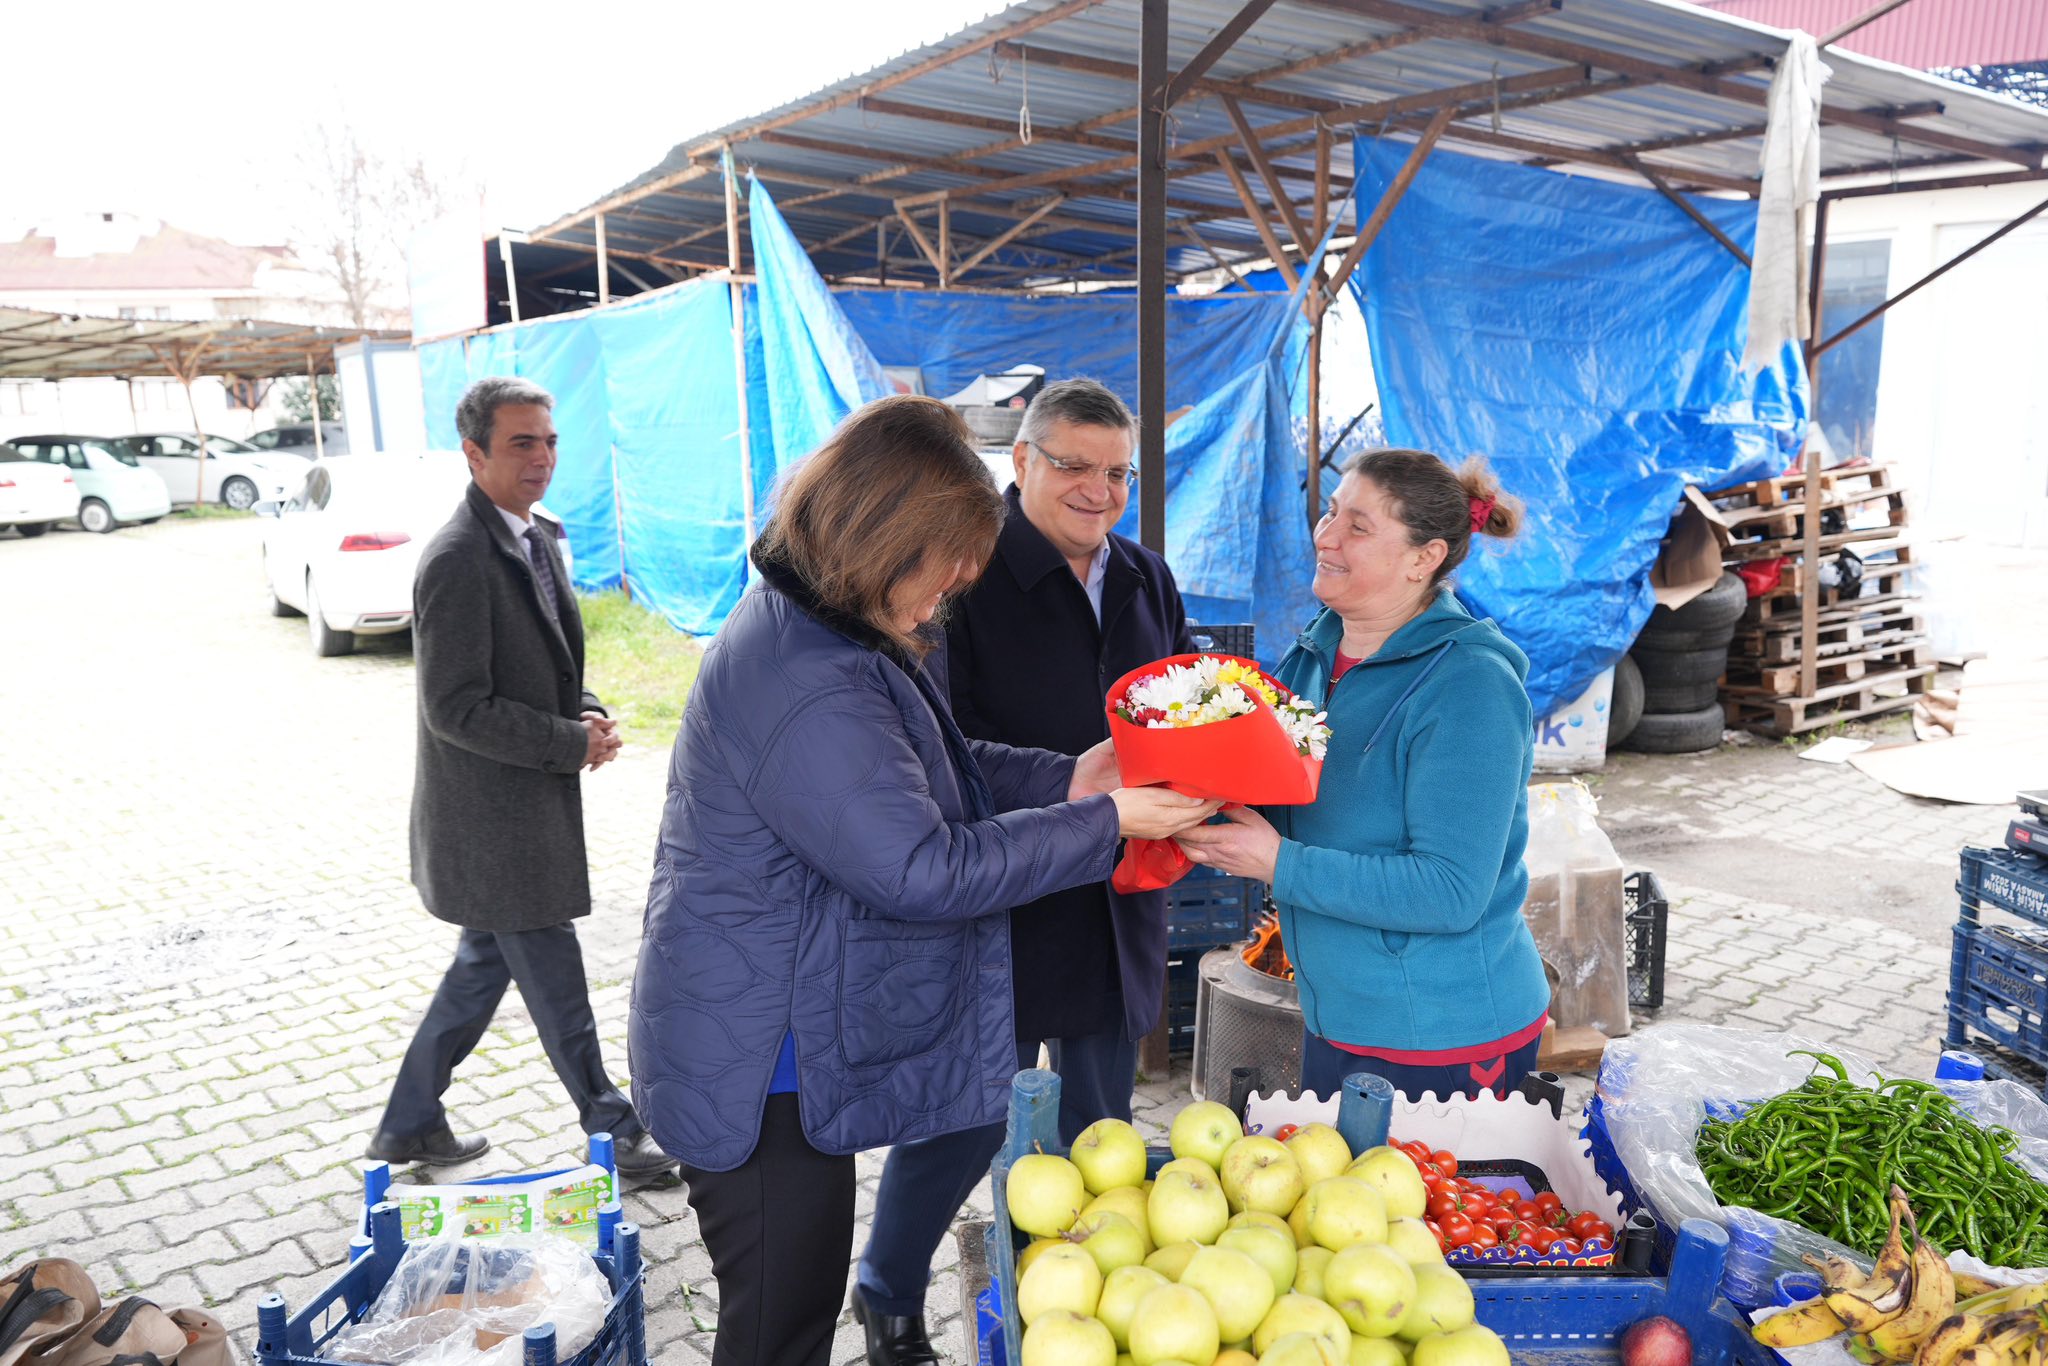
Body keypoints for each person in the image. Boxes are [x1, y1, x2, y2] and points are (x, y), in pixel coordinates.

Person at [628, 394, 1219, 1366]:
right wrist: (1105, 819)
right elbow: (920, 864)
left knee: (795, 1302)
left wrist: (1075, 773)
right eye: (947, 563)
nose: (952, 590)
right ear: (885, 538)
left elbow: (941, 770)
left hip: (786, 1027)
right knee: (779, 1321)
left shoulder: (830, 632)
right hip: (755, 1053)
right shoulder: (808, 673)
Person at [850, 379, 1194, 1366]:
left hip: (1112, 897)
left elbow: (1178, 704)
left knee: (1100, 1127)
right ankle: (886, 1295)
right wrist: (1058, 807)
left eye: (1116, 472)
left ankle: (1079, 1308)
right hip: (995, 897)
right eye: (1073, 466)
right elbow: (927, 747)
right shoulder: (960, 574)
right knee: (961, 1114)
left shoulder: (1142, 578)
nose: (1097, 490)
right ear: (1023, 463)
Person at [365, 376, 672, 1180]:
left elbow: (552, 661)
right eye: (520, 443)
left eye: (549, 440)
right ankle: (613, 1128)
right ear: (474, 454)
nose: (541, 458)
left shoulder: (530, 536)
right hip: (491, 824)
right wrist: (567, 743)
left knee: (481, 971)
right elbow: (455, 708)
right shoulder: (458, 559)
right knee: (553, 973)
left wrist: (590, 712)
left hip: (519, 810)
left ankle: (409, 1123)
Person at [1176, 448, 1550, 1103]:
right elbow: (1294, 796)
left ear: (1422, 558)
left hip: (1444, 1034)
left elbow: (1448, 890)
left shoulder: (1469, 688)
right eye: (1328, 513)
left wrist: (1277, 863)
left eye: (1357, 525)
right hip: (1340, 1017)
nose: (1326, 536)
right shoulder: (1317, 651)